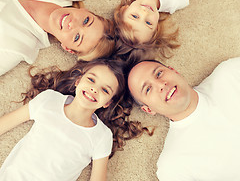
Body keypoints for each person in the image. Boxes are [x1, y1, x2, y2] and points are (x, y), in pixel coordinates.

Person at [0, 59, 150, 180]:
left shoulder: (102, 136)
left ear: (107, 103)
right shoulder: (49, 100)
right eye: (91, 80)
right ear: (78, 81)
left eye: (105, 90)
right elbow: (5, 123)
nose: (94, 89)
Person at [127, 57, 240, 180]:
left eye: (159, 73)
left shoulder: (229, 73)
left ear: (174, 71)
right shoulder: (173, 167)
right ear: (148, 109)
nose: (161, 84)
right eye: (148, 89)